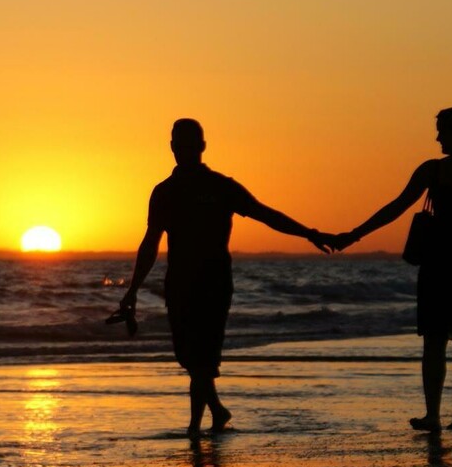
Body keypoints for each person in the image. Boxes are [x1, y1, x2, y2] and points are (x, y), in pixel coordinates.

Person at [117, 118, 331, 436]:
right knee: (189, 357)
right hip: (178, 283)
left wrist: (308, 234)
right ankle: (218, 410)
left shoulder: (220, 186)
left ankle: (194, 428)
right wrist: (132, 289)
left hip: (214, 282)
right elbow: (151, 242)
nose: (184, 149)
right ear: (172, 147)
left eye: (191, 144)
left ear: (202, 147)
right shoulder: (164, 192)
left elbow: (266, 214)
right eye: (179, 143)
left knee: (203, 358)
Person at [332, 107, 452, 432]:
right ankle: (437, 415)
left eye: (441, 130)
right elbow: (396, 207)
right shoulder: (437, 171)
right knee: (438, 341)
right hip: (445, 264)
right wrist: (354, 235)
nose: (437, 137)